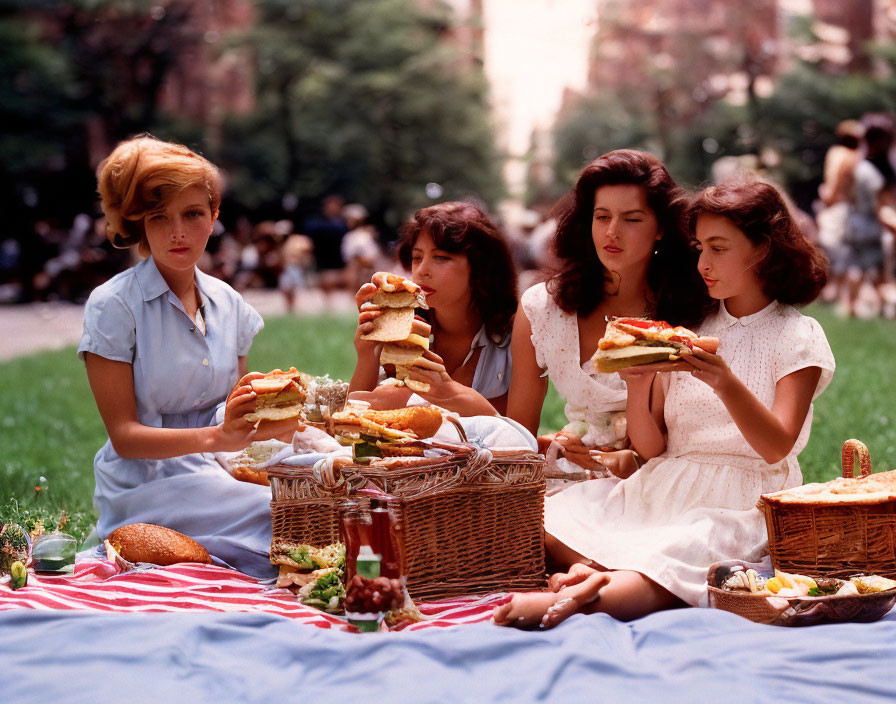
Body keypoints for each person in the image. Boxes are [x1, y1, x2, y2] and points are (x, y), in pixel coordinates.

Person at [494, 178, 834, 628]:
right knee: (549, 515)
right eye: (699, 248)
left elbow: (777, 446)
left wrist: (725, 382)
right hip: (666, 482)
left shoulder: (797, 335)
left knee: (679, 552)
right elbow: (651, 448)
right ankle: (594, 572)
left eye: (718, 248)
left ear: (762, 250)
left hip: (740, 496)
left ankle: (585, 596)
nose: (703, 263)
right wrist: (638, 385)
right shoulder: (686, 326)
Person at [78, 135, 299, 578]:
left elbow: (237, 417)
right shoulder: (114, 306)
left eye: (193, 214)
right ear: (141, 223)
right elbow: (125, 438)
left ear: (214, 215)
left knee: (331, 487)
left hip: (220, 473)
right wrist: (219, 439)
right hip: (144, 488)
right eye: (160, 218)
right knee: (288, 517)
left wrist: (280, 414)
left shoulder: (230, 303)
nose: (178, 232)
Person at [507, 149, 711, 478]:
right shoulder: (541, 308)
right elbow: (518, 436)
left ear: (660, 228)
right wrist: (555, 446)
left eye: (631, 219)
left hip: (667, 474)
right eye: (602, 217)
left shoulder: (691, 311)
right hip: (573, 469)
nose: (612, 231)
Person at [349, 201, 517, 416]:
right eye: (417, 257)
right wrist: (367, 356)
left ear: (481, 267)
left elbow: (524, 438)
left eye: (441, 257)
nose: (422, 270)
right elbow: (353, 421)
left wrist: (453, 395)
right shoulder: (404, 328)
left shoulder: (514, 335)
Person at [844, 114, 896, 317]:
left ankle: (851, 308)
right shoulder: (872, 173)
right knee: (880, 272)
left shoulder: (859, 168)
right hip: (870, 228)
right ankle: (886, 308)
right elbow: (881, 209)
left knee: (857, 267)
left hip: (855, 226)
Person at [816, 120, 864, 305]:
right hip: (851, 209)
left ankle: (829, 294)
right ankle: (840, 295)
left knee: (829, 250)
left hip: (835, 207)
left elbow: (834, 180)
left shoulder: (838, 153)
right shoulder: (858, 157)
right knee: (844, 253)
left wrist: (827, 198)